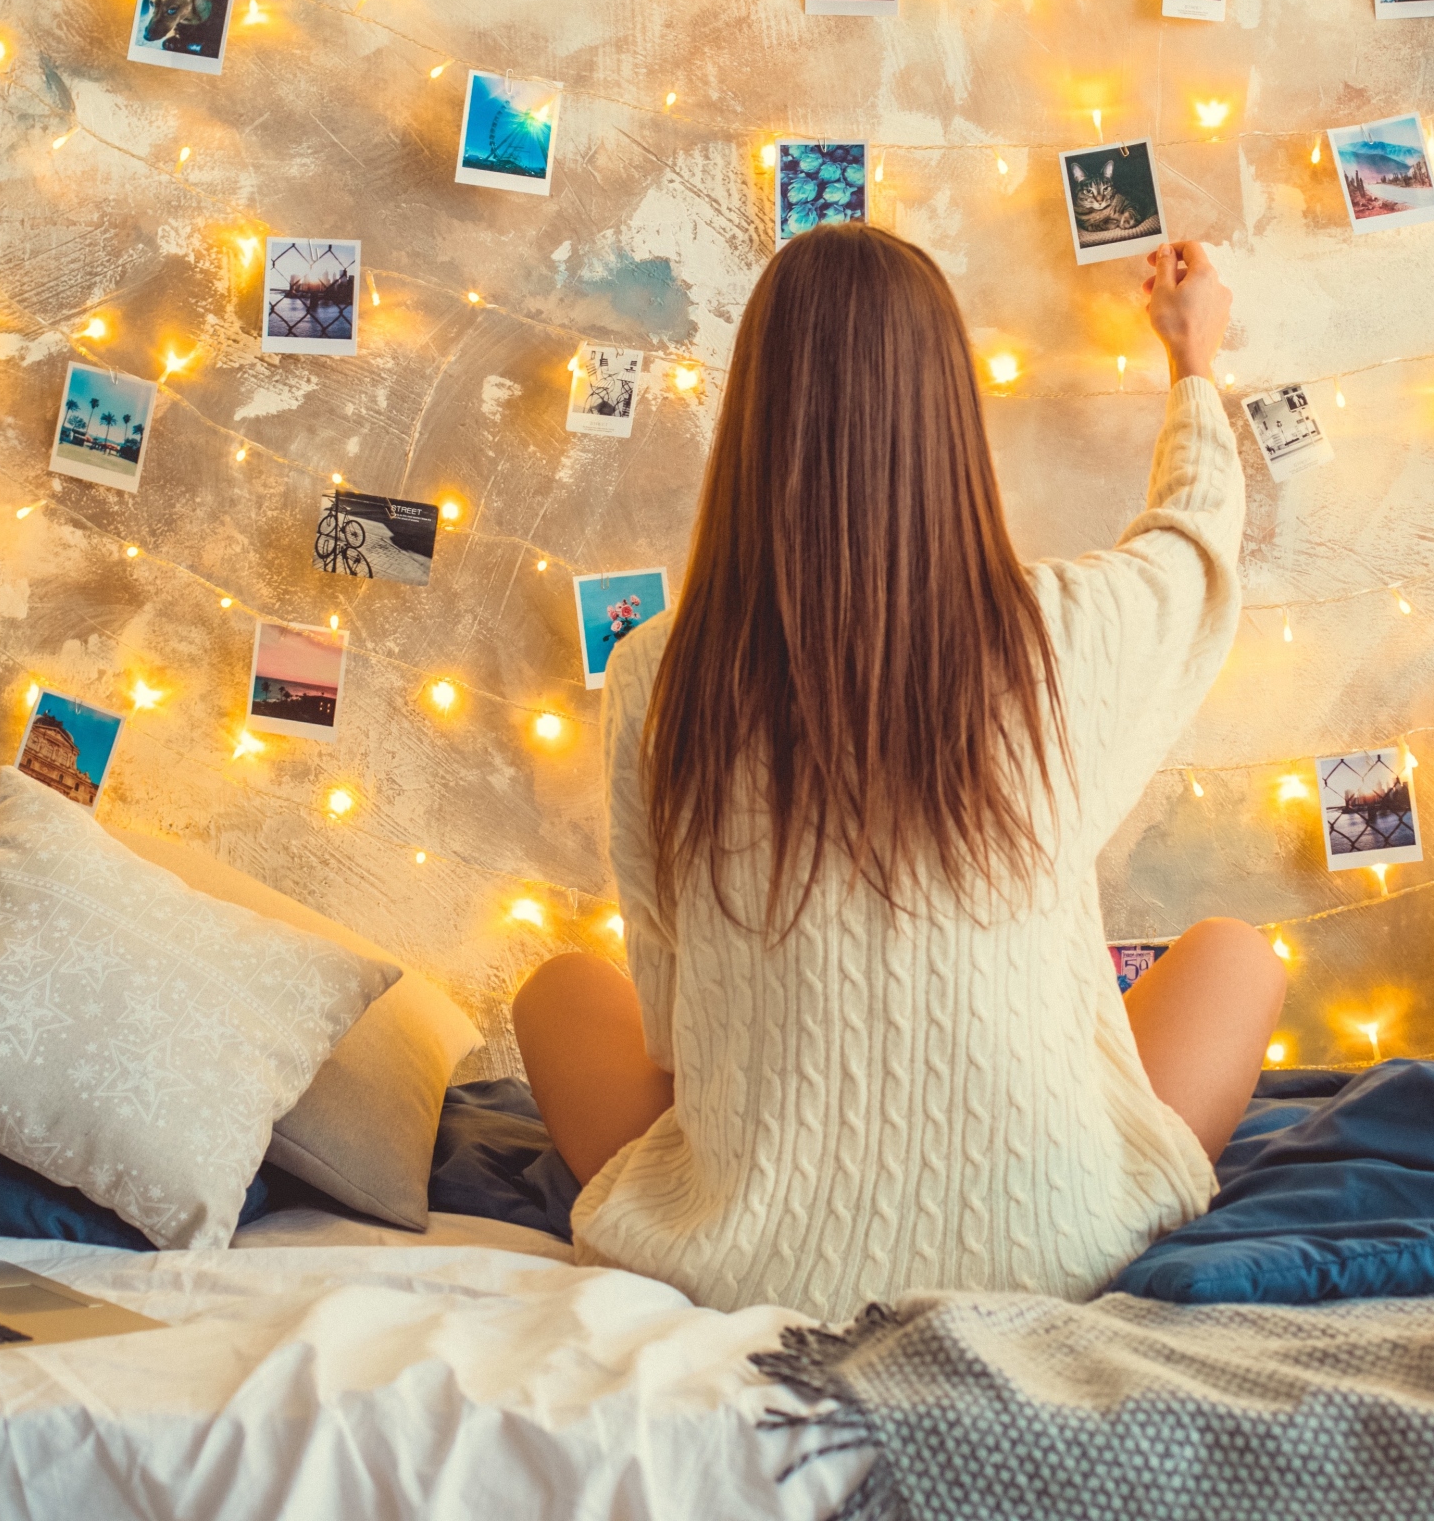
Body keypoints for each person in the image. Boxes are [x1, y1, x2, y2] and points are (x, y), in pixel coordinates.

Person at [513, 224, 1284, 1322]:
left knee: (556, 990)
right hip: (1056, 1239)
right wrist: (1191, 355)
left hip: (750, 1258)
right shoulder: (1061, 633)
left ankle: (796, 1199)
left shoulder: (657, 670)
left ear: (753, 420)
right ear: (947, 417)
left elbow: (676, 1030)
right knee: (1238, 958)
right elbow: (1196, 542)